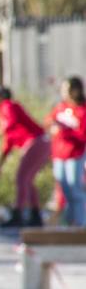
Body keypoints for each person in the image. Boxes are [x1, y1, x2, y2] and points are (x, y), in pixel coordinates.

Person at [0, 87, 50, 229]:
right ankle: (35, 216)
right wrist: (0, 164)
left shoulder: (8, 105)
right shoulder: (5, 110)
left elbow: (10, 123)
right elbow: (8, 142)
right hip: (41, 142)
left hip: (36, 142)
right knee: (27, 180)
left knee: (22, 178)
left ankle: (18, 215)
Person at [47, 76, 86, 227]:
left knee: (75, 189)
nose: (63, 92)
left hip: (74, 155)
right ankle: (70, 222)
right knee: (64, 190)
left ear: (75, 90)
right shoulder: (60, 107)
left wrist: (65, 131)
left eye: (66, 89)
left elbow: (82, 135)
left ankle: (81, 223)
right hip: (59, 155)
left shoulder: (82, 110)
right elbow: (48, 121)